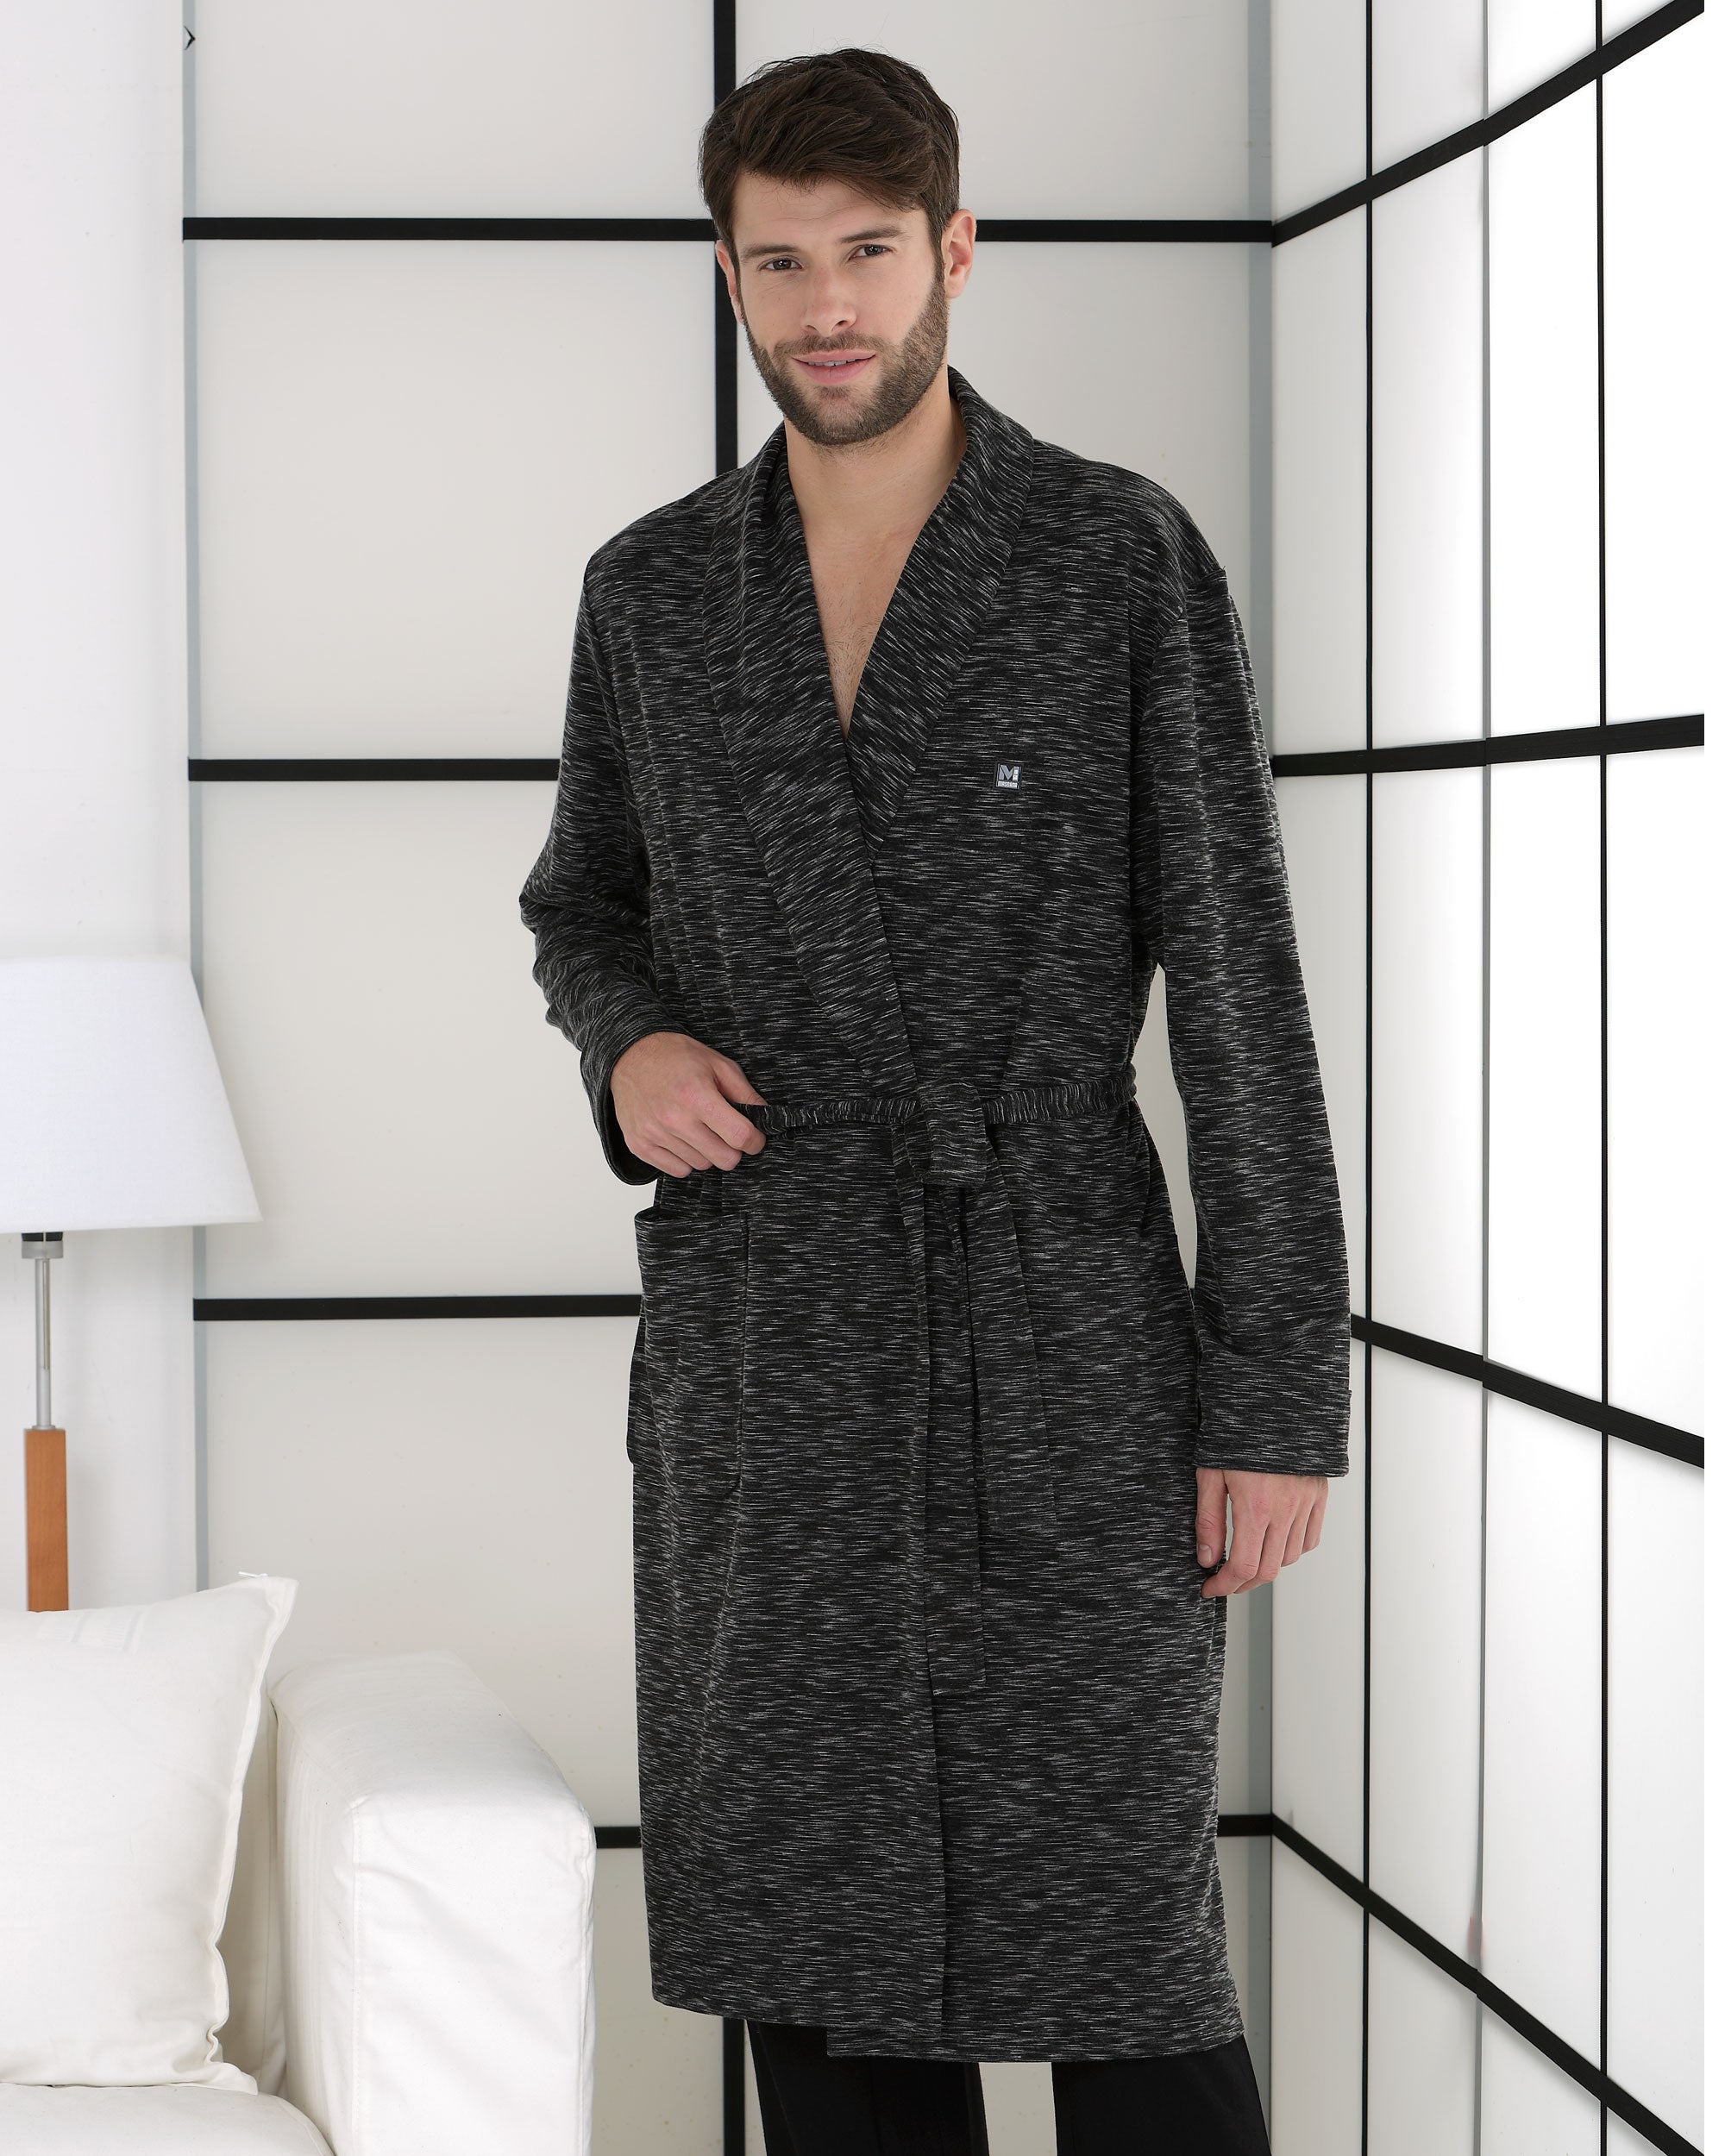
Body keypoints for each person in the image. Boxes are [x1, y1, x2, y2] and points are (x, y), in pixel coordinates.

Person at [518, 46, 1352, 2156]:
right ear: (726, 273)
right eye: (779, 261)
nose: (828, 307)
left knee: (1123, 1947)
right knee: (820, 1955)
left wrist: (1273, 1389)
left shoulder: (1109, 556)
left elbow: (1234, 980)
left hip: (1063, 1322)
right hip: (769, 1332)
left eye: (869, 253)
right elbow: (580, 898)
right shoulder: (651, 592)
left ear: (955, 252)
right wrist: (629, 1043)